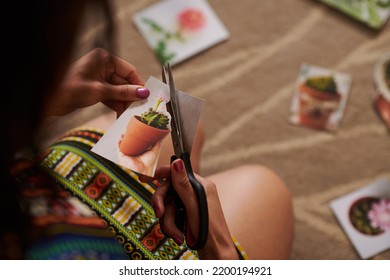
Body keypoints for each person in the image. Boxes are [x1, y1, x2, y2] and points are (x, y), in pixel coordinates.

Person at [2, 0, 294, 260]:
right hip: (79, 231)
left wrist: (44, 99)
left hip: (37, 188)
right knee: (264, 186)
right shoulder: (78, 255)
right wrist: (218, 250)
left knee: (173, 119)